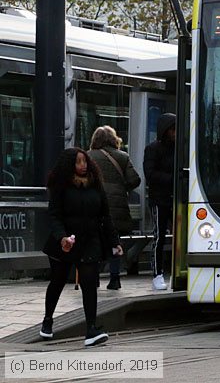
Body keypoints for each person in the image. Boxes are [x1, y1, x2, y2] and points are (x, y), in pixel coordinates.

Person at [41, 148, 122, 347]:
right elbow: (54, 215)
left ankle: (91, 329)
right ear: (70, 165)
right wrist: (62, 238)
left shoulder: (95, 184)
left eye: (84, 161)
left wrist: (114, 242)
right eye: (78, 162)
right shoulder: (61, 186)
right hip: (65, 242)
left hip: (90, 241)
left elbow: (105, 215)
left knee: (89, 284)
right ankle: (48, 320)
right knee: (58, 281)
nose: (83, 165)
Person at [88, 126, 141, 290]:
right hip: (117, 207)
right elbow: (135, 180)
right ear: (113, 139)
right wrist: (121, 187)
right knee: (114, 242)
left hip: (94, 204)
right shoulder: (122, 157)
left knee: (94, 241)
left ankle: (94, 278)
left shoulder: (88, 156)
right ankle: (115, 279)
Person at [144, 113, 176, 291]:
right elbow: (150, 174)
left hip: (172, 197)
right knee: (159, 236)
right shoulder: (153, 149)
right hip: (159, 199)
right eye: (172, 129)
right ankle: (157, 273)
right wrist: (172, 179)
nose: (175, 133)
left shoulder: (179, 148)